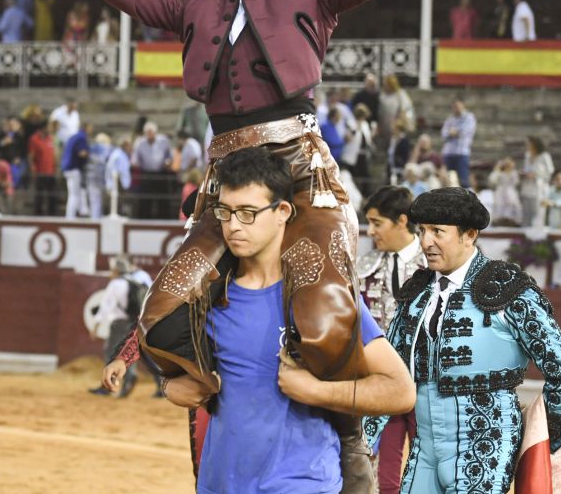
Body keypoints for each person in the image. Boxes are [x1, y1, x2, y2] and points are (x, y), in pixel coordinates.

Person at [87, 0, 410, 492]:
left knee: (323, 313)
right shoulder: (189, 1)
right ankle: (229, 411)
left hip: (299, 171)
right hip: (229, 177)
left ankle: (345, 452)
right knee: (165, 309)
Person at [160, 147, 414, 492]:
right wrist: (171, 387)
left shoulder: (323, 296)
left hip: (302, 482)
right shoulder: (207, 296)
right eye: (226, 212)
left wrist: (318, 391)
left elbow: (400, 391)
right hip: (219, 481)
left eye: (248, 213)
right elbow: (180, 373)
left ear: (282, 211)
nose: (234, 226)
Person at [363, 187, 561, 494]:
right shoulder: (417, 292)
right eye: (422, 230)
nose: (426, 242)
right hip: (425, 448)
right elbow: (388, 370)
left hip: (486, 445)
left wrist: (542, 439)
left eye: (438, 231)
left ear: (469, 234)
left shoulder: (508, 288)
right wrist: (363, 441)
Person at [356, 186, 424, 494]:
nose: (370, 231)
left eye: (377, 223)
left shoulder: (435, 264)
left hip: (427, 384)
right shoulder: (362, 268)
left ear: (401, 221)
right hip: (378, 383)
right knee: (380, 472)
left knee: (430, 466)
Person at [89, 255, 152, 398]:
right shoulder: (135, 280)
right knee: (129, 350)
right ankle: (130, 376)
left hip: (119, 324)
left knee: (111, 352)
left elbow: (106, 307)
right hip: (135, 323)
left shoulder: (115, 284)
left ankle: (109, 383)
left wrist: (96, 326)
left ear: (116, 270)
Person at [521, 136, 554, 227]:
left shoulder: (544, 156)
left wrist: (537, 174)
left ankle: (538, 235)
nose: (527, 145)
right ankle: (525, 232)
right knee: (527, 211)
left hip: (540, 187)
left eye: (529, 143)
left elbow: (550, 170)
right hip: (527, 186)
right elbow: (526, 168)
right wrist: (525, 173)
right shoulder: (527, 155)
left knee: (538, 211)